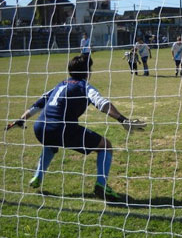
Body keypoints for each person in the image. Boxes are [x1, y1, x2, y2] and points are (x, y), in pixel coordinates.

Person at [5, 54, 146, 202]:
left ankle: (37, 176)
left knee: (51, 143)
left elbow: (39, 103)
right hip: (62, 128)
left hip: (40, 127)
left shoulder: (60, 84)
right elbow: (102, 103)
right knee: (105, 146)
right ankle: (102, 185)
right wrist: (122, 119)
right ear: (87, 72)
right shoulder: (84, 86)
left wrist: (21, 119)